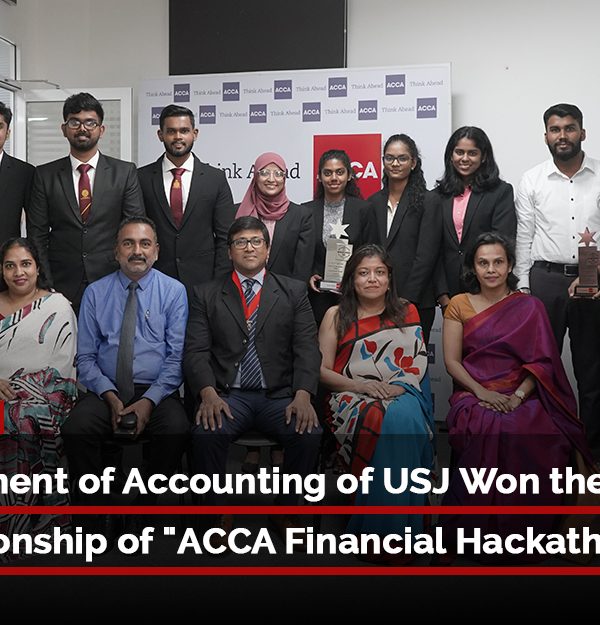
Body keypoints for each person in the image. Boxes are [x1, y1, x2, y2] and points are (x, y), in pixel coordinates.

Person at [441, 232, 595, 562]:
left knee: (535, 429)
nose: (491, 270)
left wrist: (518, 397)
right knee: (487, 424)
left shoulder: (530, 306)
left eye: (498, 262)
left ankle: (526, 534)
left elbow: (541, 363)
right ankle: (476, 534)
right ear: (473, 267)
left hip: (521, 393)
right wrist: (481, 392)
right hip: (473, 392)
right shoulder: (459, 304)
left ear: (510, 265)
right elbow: (452, 362)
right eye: (483, 263)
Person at [184, 216, 321, 552]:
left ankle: (285, 511)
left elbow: (307, 348)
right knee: (205, 433)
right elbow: (195, 351)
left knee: (309, 434)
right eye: (240, 242)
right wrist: (208, 393)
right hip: (228, 396)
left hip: (279, 397)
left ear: (267, 249)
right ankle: (216, 515)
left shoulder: (293, 291)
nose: (249, 248)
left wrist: (303, 395)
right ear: (229, 251)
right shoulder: (206, 293)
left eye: (256, 241)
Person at [61, 217, 189, 546]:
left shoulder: (174, 292)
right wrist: (110, 396)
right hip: (106, 389)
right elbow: (85, 358)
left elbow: (176, 359)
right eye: (128, 243)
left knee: (176, 429)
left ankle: (141, 507)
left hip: (155, 390)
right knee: (76, 428)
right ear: (116, 251)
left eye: (145, 244)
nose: (137, 251)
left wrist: (148, 402)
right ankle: (97, 511)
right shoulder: (95, 292)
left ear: (156, 251)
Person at [318, 244, 435, 564]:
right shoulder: (335, 315)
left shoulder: (407, 311)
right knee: (376, 416)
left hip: (401, 390)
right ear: (351, 279)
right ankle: (379, 533)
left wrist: (395, 388)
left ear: (389, 278)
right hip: (349, 394)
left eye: (379, 272)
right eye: (363, 273)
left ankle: (403, 530)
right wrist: (362, 386)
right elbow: (322, 371)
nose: (372, 279)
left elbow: (415, 366)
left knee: (400, 417)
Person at [515, 103, 600, 462]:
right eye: (555, 129)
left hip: (592, 276)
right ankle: (547, 451)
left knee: (591, 371)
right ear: (546, 135)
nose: (562, 135)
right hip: (544, 279)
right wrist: (522, 287)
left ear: (582, 132)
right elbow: (524, 236)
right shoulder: (532, 179)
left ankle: (592, 454)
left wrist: (591, 274)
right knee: (540, 368)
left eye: (569, 128)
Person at [26, 92, 145, 312]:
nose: (82, 128)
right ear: (64, 129)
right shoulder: (45, 175)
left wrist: (127, 275)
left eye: (90, 122)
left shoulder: (124, 172)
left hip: (113, 279)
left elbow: (134, 229)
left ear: (102, 129)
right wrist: (46, 282)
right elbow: (37, 235)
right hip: (61, 283)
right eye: (75, 122)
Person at [235, 152, 316, 471]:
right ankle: (252, 449)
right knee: (248, 360)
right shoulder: (238, 210)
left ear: (285, 177)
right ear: (254, 176)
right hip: (244, 299)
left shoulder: (301, 215)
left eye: (277, 173)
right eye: (264, 172)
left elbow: (302, 264)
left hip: (285, 302)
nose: (271, 179)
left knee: (280, 366)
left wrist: (283, 299)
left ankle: (280, 444)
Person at [0, 237, 77, 560]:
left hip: (48, 394)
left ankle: (23, 526)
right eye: (10, 265)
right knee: (12, 416)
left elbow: (64, 366)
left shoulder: (57, 306)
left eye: (25, 264)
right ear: (2, 271)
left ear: (37, 267)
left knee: (20, 418)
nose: (18, 272)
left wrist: (23, 388)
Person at [138, 104, 235, 298]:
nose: (178, 137)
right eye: (171, 131)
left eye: (184, 131)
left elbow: (226, 237)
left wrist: (219, 283)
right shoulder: (141, 177)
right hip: (153, 282)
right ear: (160, 135)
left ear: (194, 134)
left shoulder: (215, 179)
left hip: (204, 285)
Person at [367, 134, 440, 344]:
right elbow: (369, 252)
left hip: (416, 301)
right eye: (389, 158)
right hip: (377, 299)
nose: (395, 163)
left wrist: (406, 299)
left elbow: (426, 255)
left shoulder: (429, 200)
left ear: (413, 162)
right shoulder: (372, 202)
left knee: (411, 360)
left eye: (402, 158)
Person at [433, 126, 516, 306]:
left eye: (472, 153)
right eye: (459, 152)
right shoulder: (437, 196)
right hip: (449, 292)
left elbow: (502, 243)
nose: (465, 158)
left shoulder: (500, 192)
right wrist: (442, 295)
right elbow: (433, 249)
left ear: (483, 156)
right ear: (450, 155)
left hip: (487, 289)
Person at [304, 148, 372, 325]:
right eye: (327, 173)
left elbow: (369, 250)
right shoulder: (306, 211)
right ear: (319, 177)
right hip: (317, 294)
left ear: (349, 175)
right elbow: (301, 252)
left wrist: (356, 277)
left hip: (353, 293)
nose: (334, 178)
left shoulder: (363, 209)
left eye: (340, 172)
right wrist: (309, 274)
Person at [0, 101, 35, 243]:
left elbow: (35, 225)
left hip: (5, 254)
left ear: (7, 133)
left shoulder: (24, 173)